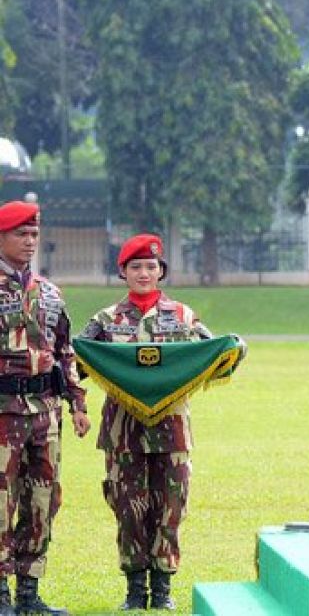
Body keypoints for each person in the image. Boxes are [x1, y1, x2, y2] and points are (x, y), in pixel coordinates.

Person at [77, 234, 226, 610]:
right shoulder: (106, 320)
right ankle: (134, 590)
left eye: (151, 267)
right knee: (129, 507)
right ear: (123, 272)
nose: (144, 273)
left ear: (161, 271)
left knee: (170, 506)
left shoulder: (183, 317)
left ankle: (162, 590)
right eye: (136, 267)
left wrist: (233, 348)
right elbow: (77, 355)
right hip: (123, 433)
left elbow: (211, 350)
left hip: (172, 432)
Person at [0, 200, 89, 615]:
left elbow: (64, 350)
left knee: (42, 500)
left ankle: (29, 595)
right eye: (22, 234)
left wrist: (77, 403)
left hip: (44, 414)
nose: (30, 241)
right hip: (3, 412)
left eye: (34, 234)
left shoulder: (50, 292)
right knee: (1, 503)